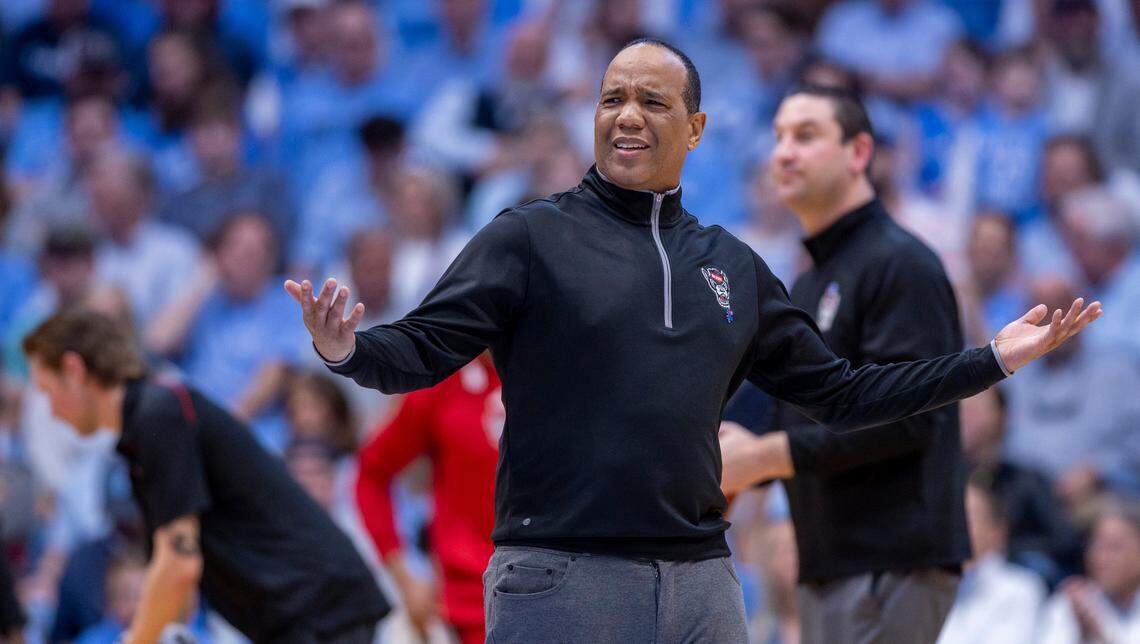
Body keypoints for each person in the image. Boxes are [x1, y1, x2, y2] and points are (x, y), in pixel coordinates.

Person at [286, 38, 1099, 642]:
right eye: (612, 98)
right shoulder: (528, 237)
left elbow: (847, 392)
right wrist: (346, 350)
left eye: (651, 100)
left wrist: (990, 359)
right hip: (561, 574)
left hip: (705, 582)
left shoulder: (733, 268)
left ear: (696, 127)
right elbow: (423, 348)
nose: (627, 115)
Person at [716, 85, 972, 644]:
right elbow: (768, 408)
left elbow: (910, 417)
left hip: (893, 560)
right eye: (779, 136)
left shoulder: (901, 263)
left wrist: (763, 457)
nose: (783, 152)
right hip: (828, 562)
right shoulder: (805, 282)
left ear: (859, 153)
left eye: (805, 136)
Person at [22, 309, 390, 642]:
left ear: (73, 370)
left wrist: (136, 639)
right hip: (304, 616)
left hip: (321, 613)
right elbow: (171, 572)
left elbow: (179, 564)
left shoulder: (158, 413)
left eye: (47, 391)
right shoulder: (145, 424)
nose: (52, 412)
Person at [356, 353, 500, 644]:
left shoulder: (567, 373)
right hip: (472, 607)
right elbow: (371, 473)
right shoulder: (444, 383)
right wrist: (404, 575)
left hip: (567, 595)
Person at [935, 477, 1047, 644]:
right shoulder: (927, 583)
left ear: (997, 531)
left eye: (967, 516)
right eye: (950, 515)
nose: (955, 524)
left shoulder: (1019, 589)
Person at [1038, 502, 1140, 643]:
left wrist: (1097, 635)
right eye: (1096, 546)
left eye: (1114, 547)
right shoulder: (1071, 602)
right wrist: (1081, 637)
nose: (1101, 558)